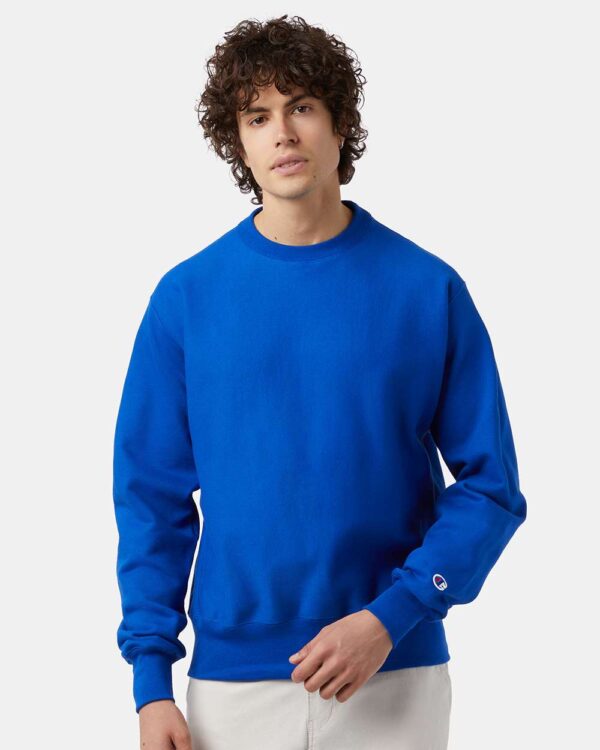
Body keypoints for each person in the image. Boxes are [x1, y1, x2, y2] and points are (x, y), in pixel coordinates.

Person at [112, 13, 527, 750]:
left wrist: (393, 615)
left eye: (301, 107)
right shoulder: (187, 299)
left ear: (340, 126)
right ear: (238, 142)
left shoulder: (426, 290)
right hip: (232, 691)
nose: (283, 133)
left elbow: (491, 486)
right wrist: (151, 682)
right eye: (258, 116)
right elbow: (151, 497)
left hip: (394, 678)